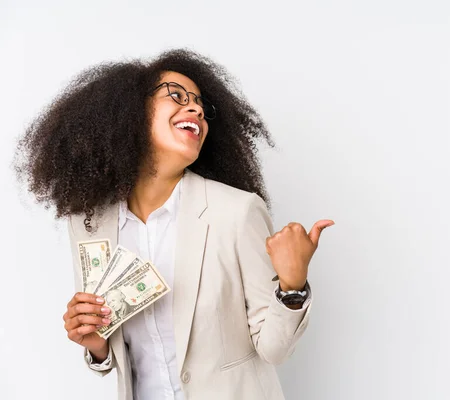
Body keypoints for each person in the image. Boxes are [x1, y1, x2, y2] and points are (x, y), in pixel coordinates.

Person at [14, 49, 334, 400]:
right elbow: (117, 351)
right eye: (177, 96)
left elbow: (275, 350)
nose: (196, 109)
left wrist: (292, 285)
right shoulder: (90, 223)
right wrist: (97, 347)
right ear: (130, 113)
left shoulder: (237, 212)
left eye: (200, 105)